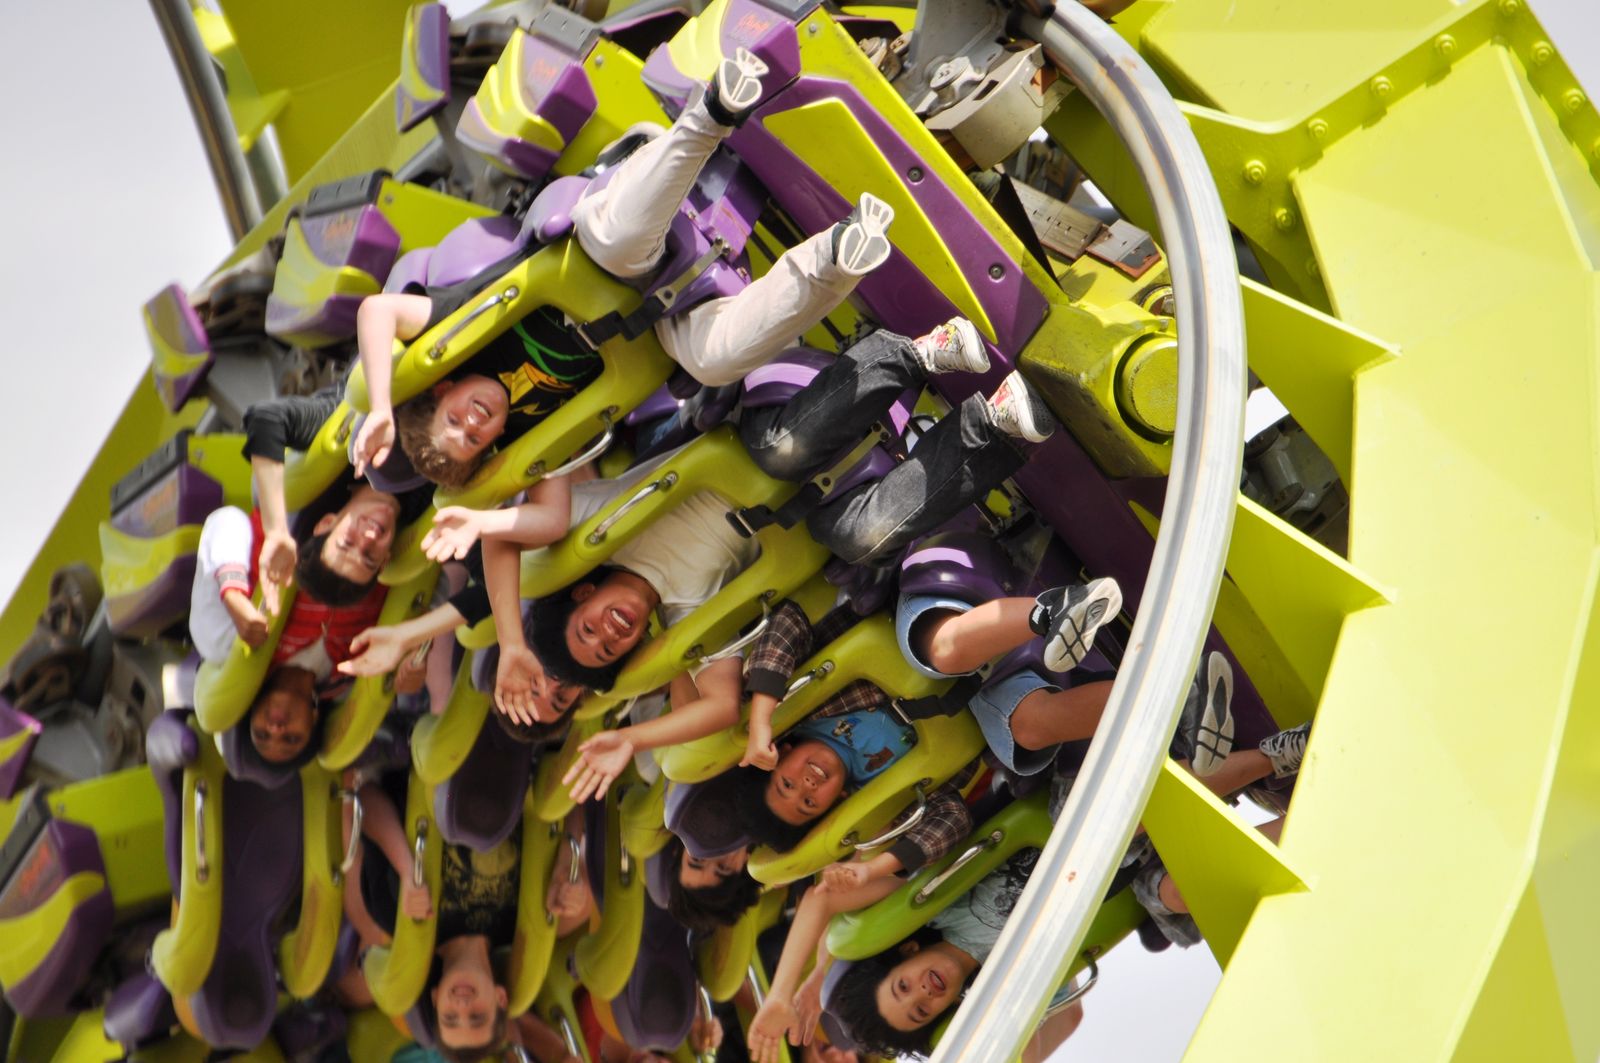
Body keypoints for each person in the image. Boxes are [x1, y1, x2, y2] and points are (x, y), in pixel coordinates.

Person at [351, 48, 895, 494]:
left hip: (607, 244)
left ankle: (714, 110)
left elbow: (377, 310)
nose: (472, 423)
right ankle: (842, 254)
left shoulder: (461, 338)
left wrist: (379, 410)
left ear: (443, 389)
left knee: (619, 246)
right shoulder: (531, 431)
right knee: (713, 361)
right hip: (659, 315)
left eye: (453, 421)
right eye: (473, 439)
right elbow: (534, 510)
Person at [342, 769, 520, 1059]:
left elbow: (368, 797)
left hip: (417, 763)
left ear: (436, 1000)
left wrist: (406, 869)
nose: (462, 1006)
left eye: (450, 1017)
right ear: (500, 998)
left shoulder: (399, 919)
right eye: (476, 1016)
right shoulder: (516, 924)